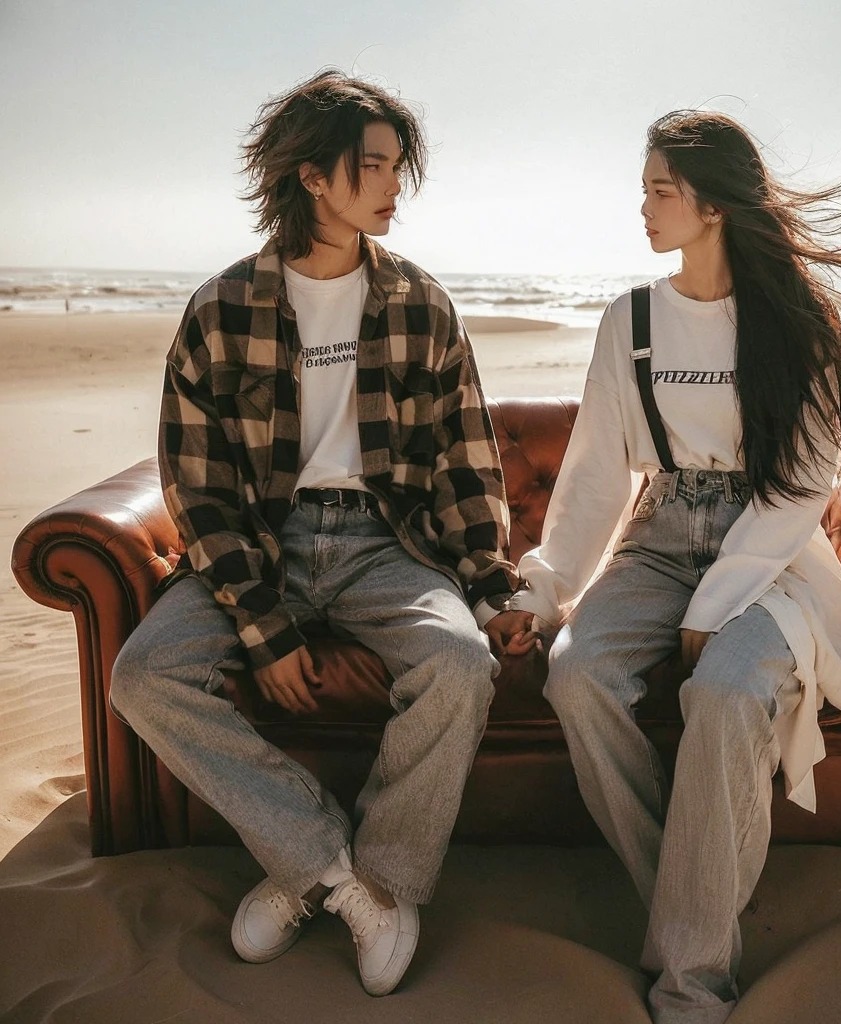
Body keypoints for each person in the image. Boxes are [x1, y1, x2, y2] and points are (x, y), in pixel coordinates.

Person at [490, 111, 841, 1022]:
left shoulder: (794, 323)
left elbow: (801, 483)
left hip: (770, 547)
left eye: (661, 190)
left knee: (729, 691)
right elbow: (595, 476)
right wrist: (545, 589)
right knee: (578, 676)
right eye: (645, 188)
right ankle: (689, 903)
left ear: (715, 205)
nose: (643, 206)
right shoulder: (631, 320)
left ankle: (691, 980)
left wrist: (717, 604)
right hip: (658, 534)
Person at [109, 69, 529, 997]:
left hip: (387, 544)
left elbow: (464, 464)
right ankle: (326, 869)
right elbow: (200, 486)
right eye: (373, 165)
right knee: (141, 676)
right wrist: (261, 621)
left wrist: (492, 587)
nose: (393, 186)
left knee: (460, 665)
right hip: (263, 544)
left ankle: (383, 880)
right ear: (310, 174)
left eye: (397, 167)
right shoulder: (220, 309)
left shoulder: (421, 304)